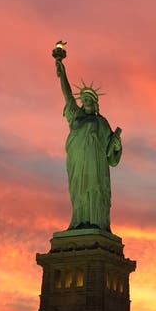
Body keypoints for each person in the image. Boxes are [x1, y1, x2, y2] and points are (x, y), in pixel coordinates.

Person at [53, 45, 122, 232]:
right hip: (78, 163)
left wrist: (116, 144)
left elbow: (111, 155)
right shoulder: (77, 117)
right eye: (84, 100)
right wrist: (62, 72)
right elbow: (67, 96)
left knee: (95, 190)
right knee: (79, 192)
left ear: (95, 103)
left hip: (96, 166)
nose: (86, 102)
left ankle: (96, 223)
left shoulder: (102, 123)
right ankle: (79, 222)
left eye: (89, 100)